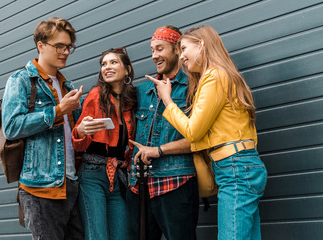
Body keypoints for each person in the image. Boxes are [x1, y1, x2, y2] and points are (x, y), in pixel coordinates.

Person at [149, 25, 268, 240]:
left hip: (235, 169)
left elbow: (193, 132)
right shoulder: (222, 75)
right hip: (239, 166)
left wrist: (167, 99)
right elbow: (205, 137)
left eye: (184, 48)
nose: (182, 55)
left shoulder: (213, 76)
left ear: (201, 45)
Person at [1, 17, 84, 240]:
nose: (65, 51)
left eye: (68, 47)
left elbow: (72, 136)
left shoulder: (68, 86)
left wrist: (83, 127)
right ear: (41, 46)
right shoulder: (21, 80)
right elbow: (11, 127)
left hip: (71, 183)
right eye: (59, 46)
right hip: (41, 187)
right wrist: (57, 111)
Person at [127, 26, 199, 240]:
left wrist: (157, 150)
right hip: (139, 186)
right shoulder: (142, 91)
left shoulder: (193, 88)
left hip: (176, 182)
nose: (154, 55)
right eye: (152, 50)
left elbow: (198, 138)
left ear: (177, 49)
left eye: (160, 48)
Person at [71, 48, 137, 240]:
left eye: (113, 62)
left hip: (118, 176)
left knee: (122, 235)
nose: (107, 67)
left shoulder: (131, 101)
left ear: (127, 70)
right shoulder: (95, 95)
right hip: (92, 175)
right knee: (97, 235)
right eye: (103, 64)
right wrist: (81, 131)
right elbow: (78, 141)